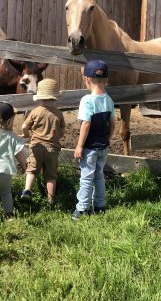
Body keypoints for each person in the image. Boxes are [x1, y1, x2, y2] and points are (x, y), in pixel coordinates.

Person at [72, 60, 116, 220]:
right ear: (106, 80)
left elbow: (86, 124)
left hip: (89, 147)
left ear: (86, 80)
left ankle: (82, 209)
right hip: (103, 147)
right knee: (99, 176)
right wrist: (108, 138)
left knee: (86, 177)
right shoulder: (109, 100)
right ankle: (99, 206)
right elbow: (112, 123)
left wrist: (79, 145)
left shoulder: (87, 100)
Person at [20, 78, 66, 205]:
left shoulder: (35, 111)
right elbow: (62, 131)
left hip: (36, 146)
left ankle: (27, 190)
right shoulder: (58, 113)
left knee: (32, 170)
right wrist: (56, 137)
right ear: (54, 97)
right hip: (52, 149)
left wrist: (27, 135)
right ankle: (51, 199)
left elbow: (24, 127)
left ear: (40, 98)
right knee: (51, 176)